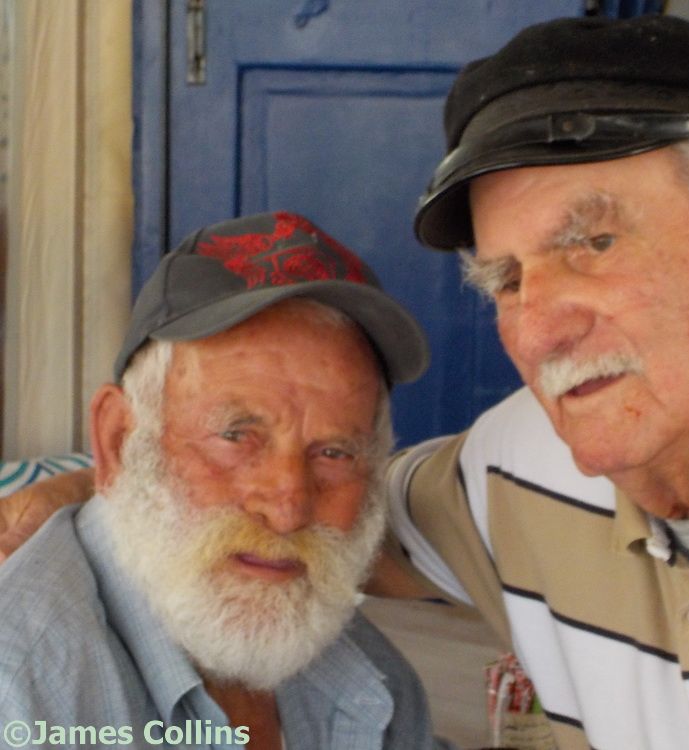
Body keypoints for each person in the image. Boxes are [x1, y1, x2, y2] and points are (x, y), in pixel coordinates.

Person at [4, 15, 689, 750]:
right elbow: (310, 518)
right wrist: (113, 482)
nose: (539, 325)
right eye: (508, 278)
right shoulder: (523, 467)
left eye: (593, 242)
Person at [0, 211, 449, 749]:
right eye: (237, 436)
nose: (287, 510)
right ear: (118, 440)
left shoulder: (373, 682)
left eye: (334, 452)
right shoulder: (19, 695)